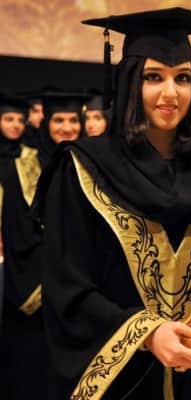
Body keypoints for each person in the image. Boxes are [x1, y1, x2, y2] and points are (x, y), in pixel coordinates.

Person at [34, 8, 191, 400]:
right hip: (122, 381)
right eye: (153, 77)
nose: (170, 93)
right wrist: (146, 333)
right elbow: (66, 288)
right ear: (129, 82)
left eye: (183, 78)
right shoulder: (81, 170)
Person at [0, 93, 47, 399]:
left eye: (20, 119)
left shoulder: (31, 158)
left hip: (22, 256)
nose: (15, 125)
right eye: (8, 119)